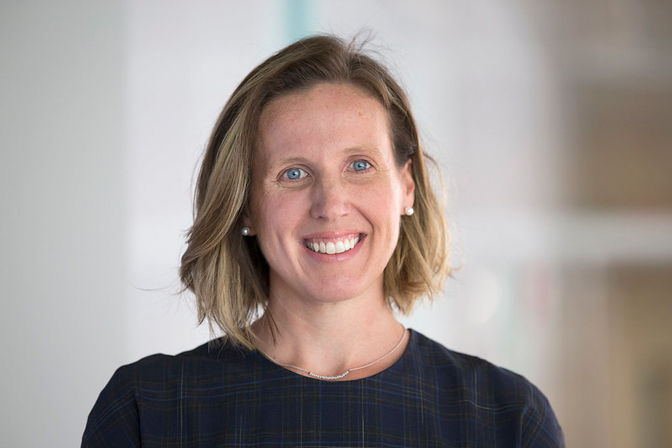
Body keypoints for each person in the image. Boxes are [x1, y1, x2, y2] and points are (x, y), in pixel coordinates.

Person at [82, 34, 565, 447]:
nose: (330, 204)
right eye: (293, 173)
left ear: (406, 188)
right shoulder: (148, 412)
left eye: (359, 165)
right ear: (246, 206)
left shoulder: (507, 419)